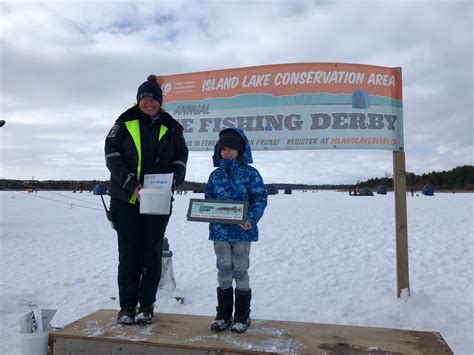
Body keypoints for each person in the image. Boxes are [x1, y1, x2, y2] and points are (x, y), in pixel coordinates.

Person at [105, 75, 188, 325]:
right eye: (145, 98)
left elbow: (180, 159)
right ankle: (127, 307)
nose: (149, 102)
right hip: (126, 199)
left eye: (154, 98)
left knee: (152, 254)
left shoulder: (173, 127)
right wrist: (132, 184)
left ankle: (146, 306)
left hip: (158, 201)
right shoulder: (122, 123)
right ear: (139, 100)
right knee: (129, 254)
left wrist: (171, 184)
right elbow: (112, 156)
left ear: (160, 102)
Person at [205, 128, 268, 333]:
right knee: (223, 269)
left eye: (231, 148)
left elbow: (259, 199)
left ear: (240, 150)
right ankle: (223, 314)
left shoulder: (251, 174)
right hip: (220, 233)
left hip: (242, 232)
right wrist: (207, 212)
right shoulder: (215, 175)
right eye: (223, 149)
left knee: (240, 270)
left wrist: (250, 219)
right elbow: (208, 200)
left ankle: (242, 315)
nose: (227, 152)